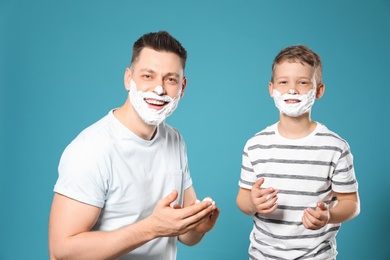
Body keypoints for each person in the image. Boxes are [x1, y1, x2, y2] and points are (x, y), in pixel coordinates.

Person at [49, 31, 220, 260]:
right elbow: (62, 251)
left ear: (183, 87)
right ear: (128, 79)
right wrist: (152, 228)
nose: (159, 89)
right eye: (148, 76)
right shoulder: (91, 149)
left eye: (170, 79)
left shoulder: (174, 140)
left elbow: (184, 235)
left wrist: (197, 226)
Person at [236, 45, 360, 259]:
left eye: (302, 82)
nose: (292, 90)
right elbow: (243, 199)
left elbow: (351, 204)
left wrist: (329, 215)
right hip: (263, 255)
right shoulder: (255, 145)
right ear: (271, 89)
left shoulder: (335, 147)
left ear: (319, 90)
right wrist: (252, 204)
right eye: (283, 82)